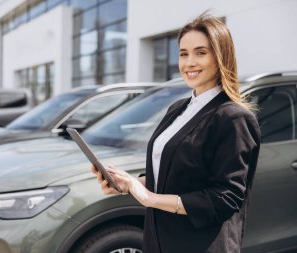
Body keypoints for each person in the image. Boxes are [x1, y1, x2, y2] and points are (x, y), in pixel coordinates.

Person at [92, 13, 261, 253]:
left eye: (201, 53)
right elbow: (174, 174)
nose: (189, 62)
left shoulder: (233, 118)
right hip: (158, 239)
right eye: (183, 54)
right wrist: (130, 183)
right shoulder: (177, 109)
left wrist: (150, 199)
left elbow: (224, 199)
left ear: (221, 56)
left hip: (199, 244)